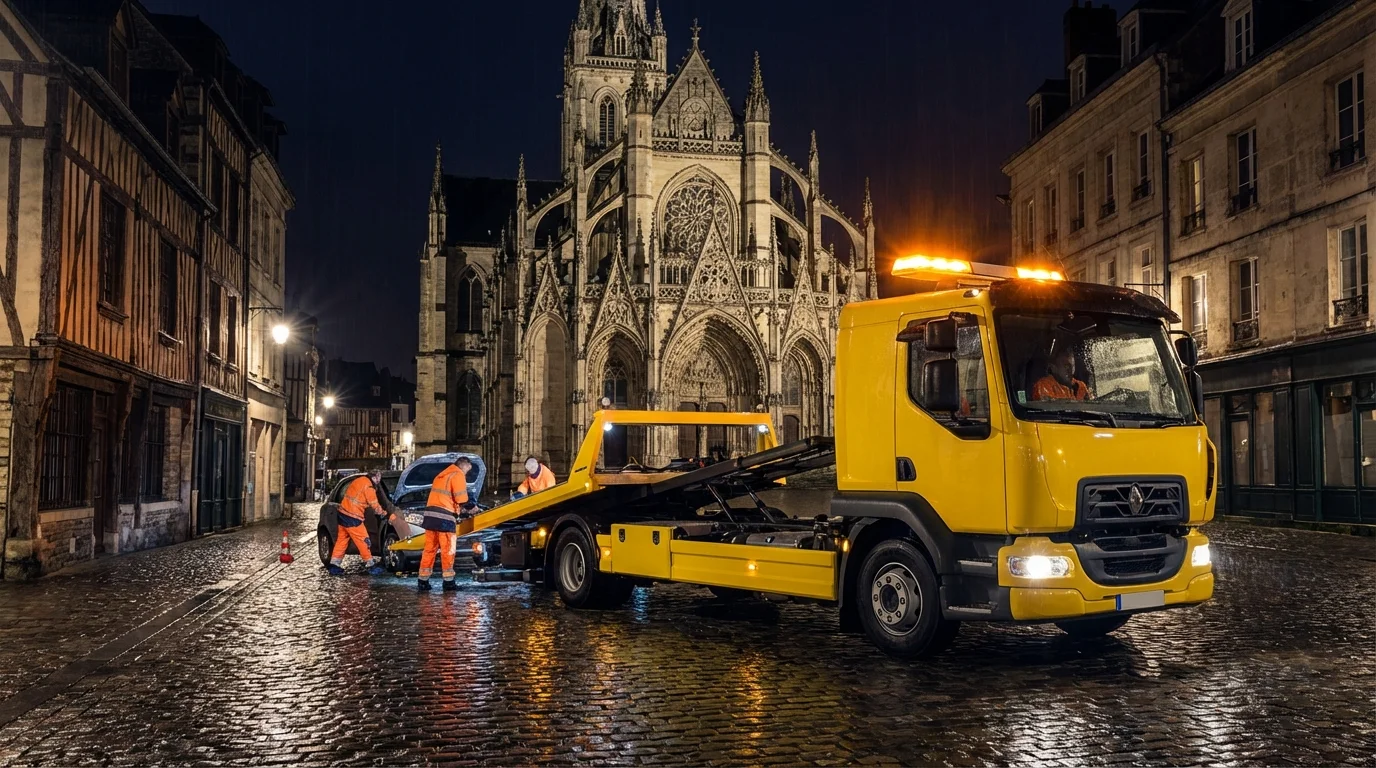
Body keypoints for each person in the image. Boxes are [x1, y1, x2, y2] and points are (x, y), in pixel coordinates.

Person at [418, 457, 473, 592]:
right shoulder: (458, 474)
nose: (466, 473)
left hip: (431, 516)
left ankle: (423, 581)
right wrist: (472, 508)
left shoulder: (442, 475)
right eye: (467, 470)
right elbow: (461, 499)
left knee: (429, 549)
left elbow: (445, 497)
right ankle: (448, 582)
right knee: (448, 549)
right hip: (444, 518)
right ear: (464, 465)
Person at [329, 470, 390, 576]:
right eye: (379, 478)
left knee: (342, 541)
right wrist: (384, 513)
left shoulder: (359, 480)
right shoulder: (369, 487)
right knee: (364, 541)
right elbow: (374, 504)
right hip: (353, 517)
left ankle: (334, 565)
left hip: (343, 513)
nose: (379, 481)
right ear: (374, 477)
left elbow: (356, 497)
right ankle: (370, 565)